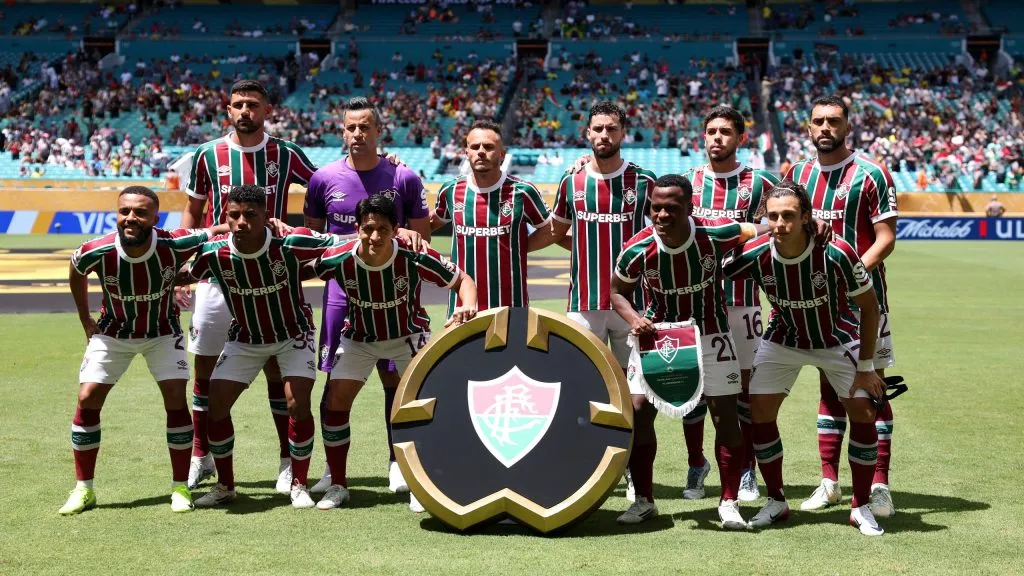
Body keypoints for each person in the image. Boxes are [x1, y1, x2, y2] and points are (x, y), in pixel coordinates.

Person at [723, 181, 887, 536]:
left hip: (838, 338)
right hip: (785, 337)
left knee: (862, 410)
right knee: (759, 410)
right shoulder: (756, 253)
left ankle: (860, 507)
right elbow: (710, 268)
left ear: (806, 218)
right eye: (773, 217)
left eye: (789, 216)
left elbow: (870, 309)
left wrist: (866, 368)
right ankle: (777, 500)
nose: (780, 224)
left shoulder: (836, 252)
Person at [180, 79, 319, 495]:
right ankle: (200, 456)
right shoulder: (207, 154)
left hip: (270, 276)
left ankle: (285, 461)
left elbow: (323, 196)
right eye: (238, 105)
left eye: (253, 105)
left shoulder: (287, 154)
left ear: (267, 110)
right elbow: (192, 212)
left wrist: (298, 236)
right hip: (216, 273)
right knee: (204, 371)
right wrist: (184, 265)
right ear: (227, 110)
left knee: (279, 370)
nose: (245, 111)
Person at [610, 174, 762, 528]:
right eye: (655, 208)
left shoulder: (716, 232)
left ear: (690, 209)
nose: (661, 215)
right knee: (638, 413)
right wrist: (633, 318)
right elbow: (617, 290)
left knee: (725, 416)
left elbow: (761, 228)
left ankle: (728, 502)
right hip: (657, 336)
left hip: (711, 335)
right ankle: (644, 500)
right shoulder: (637, 248)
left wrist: (807, 222)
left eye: (671, 209)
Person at [60, 186, 222, 515]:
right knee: (87, 397)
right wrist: (84, 318)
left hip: (162, 331)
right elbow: (76, 270)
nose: (131, 218)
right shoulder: (97, 250)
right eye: (125, 212)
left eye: (140, 212)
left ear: (155, 218)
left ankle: (179, 487)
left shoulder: (174, 243)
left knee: (175, 397)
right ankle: (83, 489)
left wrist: (274, 225)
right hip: (113, 331)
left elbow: (216, 231)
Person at [311, 195, 478, 512]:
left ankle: (421, 483)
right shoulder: (337, 258)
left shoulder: (414, 254)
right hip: (359, 337)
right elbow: (299, 270)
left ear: (395, 230)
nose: (374, 237)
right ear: (358, 228)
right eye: (367, 228)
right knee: (335, 400)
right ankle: (338, 484)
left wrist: (467, 304)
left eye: (382, 229)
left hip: (407, 337)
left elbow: (462, 280)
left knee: (422, 407)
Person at [302, 96, 432, 495]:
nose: (357, 133)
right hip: (342, 298)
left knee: (398, 385)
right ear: (342, 131)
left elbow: (422, 238)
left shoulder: (403, 178)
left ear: (379, 131)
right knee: (338, 385)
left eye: (364, 127)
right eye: (350, 127)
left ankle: (398, 463)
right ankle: (333, 469)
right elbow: (312, 243)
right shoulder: (323, 179)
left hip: (394, 297)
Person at [187, 185, 338, 509]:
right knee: (215, 406)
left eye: (249, 215)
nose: (241, 222)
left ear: (266, 216)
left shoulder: (292, 242)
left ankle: (299, 485)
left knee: (297, 403)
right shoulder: (215, 253)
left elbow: (345, 242)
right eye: (234, 215)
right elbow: (184, 272)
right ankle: (226, 486)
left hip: (293, 335)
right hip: (246, 338)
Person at [785, 95, 898, 517]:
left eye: (834, 121)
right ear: (808, 128)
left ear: (847, 126)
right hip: (814, 304)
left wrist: (849, 275)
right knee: (830, 390)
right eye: (818, 121)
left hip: (865, 302)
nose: (826, 127)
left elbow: (885, 237)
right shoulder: (797, 174)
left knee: (871, 390)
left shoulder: (871, 173)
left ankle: (881, 486)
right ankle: (829, 482)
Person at [549, 102, 657, 503]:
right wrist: (584, 251)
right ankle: (586, 466)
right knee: (579, 388)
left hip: (633, 305)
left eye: (612, 128)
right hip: (583, 303)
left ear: (623, 132)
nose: (604, 135)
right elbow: (558, 232)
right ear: (587, 133)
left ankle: (634, 473)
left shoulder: (643, 182)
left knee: (637, 398)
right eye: (598, 128)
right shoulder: (570, 182)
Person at [684, 106, 780, 502]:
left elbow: (783, 222)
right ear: (702, 137)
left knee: (744, 390)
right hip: (694, 304)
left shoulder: (761, 183)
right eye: (711, 131)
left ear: (741, 138)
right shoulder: (687, 182)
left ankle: (746, 471)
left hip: (743, 304)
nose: (717, 138)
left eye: (725, 132)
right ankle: (696, 464)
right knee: (694, 390)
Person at [431, 119, 559, 317]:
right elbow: (429, 224)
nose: (481, 151)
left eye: (489, 146)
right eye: (475, 146)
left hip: (511, 306)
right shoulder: (451, 191)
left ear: (502, 154)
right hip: (462, 308)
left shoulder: (522, 191)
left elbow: (550, 229)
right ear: (466, 153)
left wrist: (520, 246)